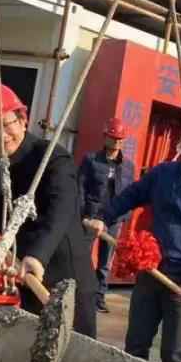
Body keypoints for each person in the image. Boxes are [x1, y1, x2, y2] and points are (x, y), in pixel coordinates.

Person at [87, 115, 181, 362]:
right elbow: (132, 194)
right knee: (135, 345)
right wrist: (103, 217)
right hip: (151, 270)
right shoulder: (164, 174)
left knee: (173, 355)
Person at [0, 83, 97, 334]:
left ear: (23, 120)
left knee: (75, 354)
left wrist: (38, 255)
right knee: (25, 350)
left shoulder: (52, 157)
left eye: (6, 124)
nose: (0, 135)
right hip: (21, 279)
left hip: (66, 281)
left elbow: (62, 208)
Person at [78, 117, 136, 313]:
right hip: (91, 218)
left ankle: (99, 297)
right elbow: (80, 188)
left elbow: (129, 194)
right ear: (105, 137)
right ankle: (80, 292)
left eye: (120, 139)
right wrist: (83, 215)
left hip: (113, 220)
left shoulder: (128, 166)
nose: (117, 142)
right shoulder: (91, 160)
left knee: (105, 262)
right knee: (82, 255)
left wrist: (124, 217)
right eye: (113, 137)